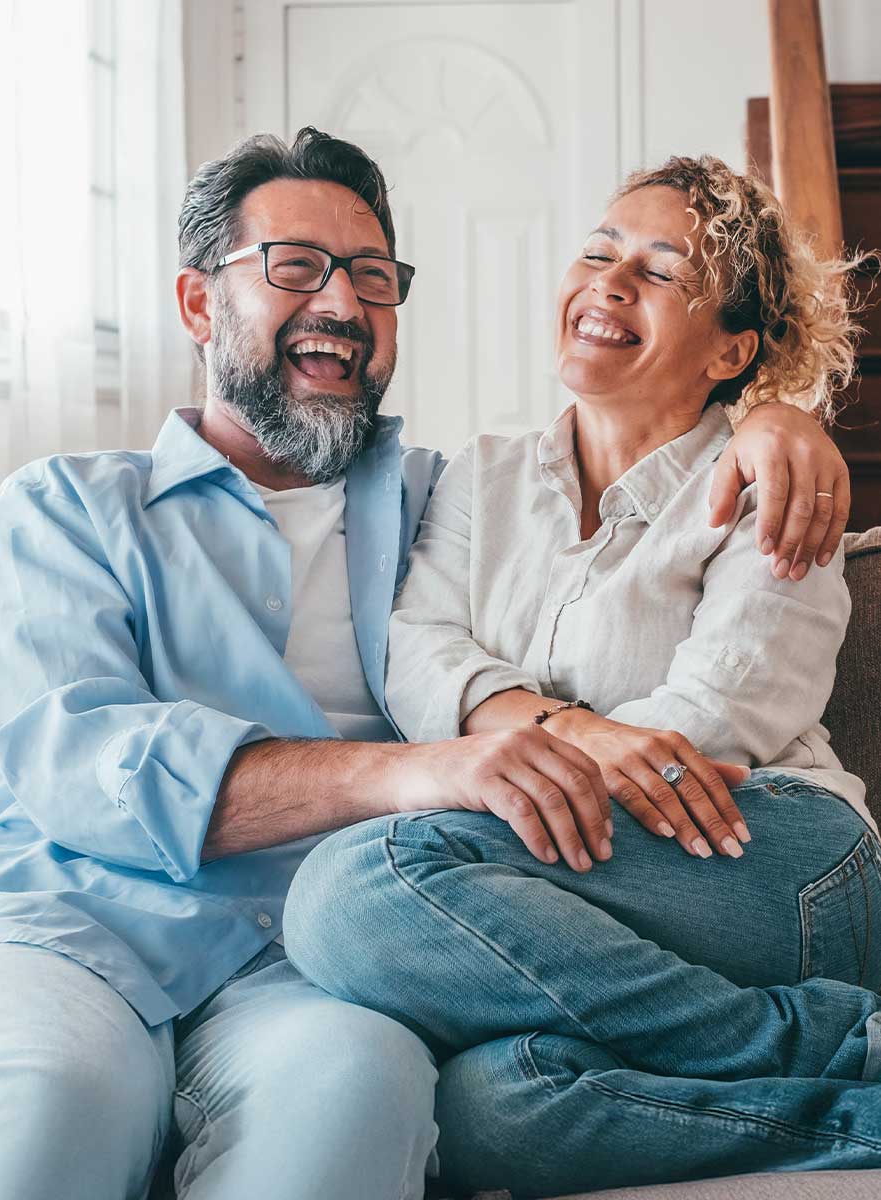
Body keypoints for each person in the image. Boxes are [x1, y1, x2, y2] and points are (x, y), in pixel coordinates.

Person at [0, 129, 858, 1200]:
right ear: (199, 305)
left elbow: (645, 459)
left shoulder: (430, 496)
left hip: (313, 968)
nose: (340, 303)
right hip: (70, 928)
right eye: (295, 268)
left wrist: (778, 423)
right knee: (58, 1107)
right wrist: (420, 771)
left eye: (372, 280)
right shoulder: (64, 506)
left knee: (360, 1101)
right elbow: (76, 756)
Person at [282, 155, 881, 1197]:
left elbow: (707, 728)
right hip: (588, 856)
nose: (608, 282)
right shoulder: (486, 474)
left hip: (768, 846)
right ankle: (849, 1073)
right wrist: (571, 731)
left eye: (659, 271)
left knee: (351, 888)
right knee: (494, 1106)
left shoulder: (772, 482)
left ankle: (832, 1033)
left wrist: (541, 751)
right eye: (598, 252)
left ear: (732, 347)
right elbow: (422, 653)